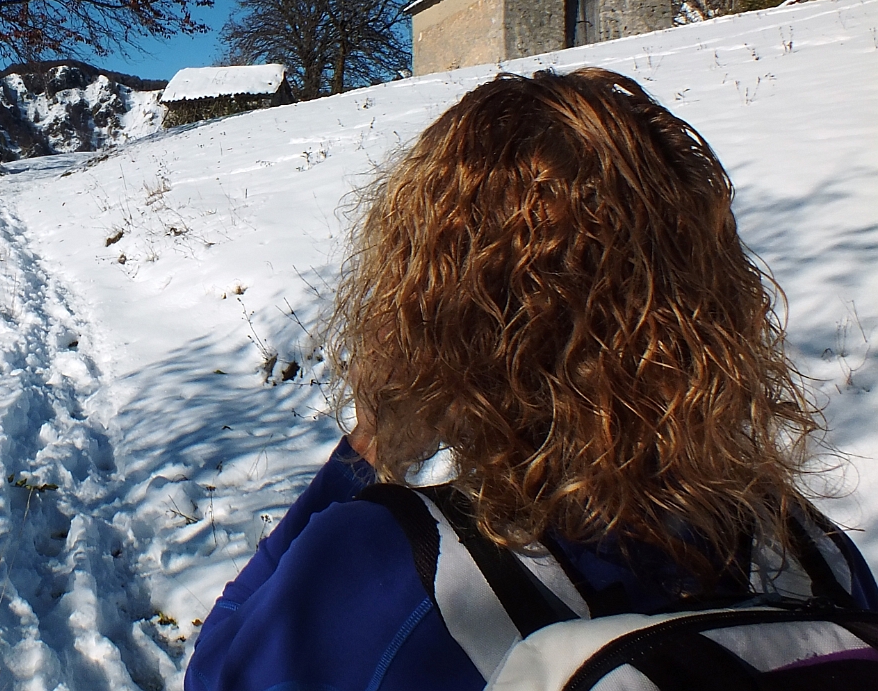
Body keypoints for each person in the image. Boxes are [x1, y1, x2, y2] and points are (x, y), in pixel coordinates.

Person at [186, 67, 877, 691]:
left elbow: (217, 672)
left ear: (437, 308)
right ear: (711, 298)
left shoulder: (394, 570)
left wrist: (368, 449)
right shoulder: (813, 555)